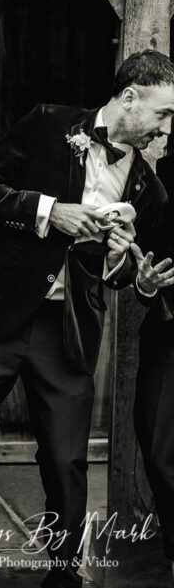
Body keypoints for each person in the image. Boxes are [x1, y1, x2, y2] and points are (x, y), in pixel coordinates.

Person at [0, 49, 174, 588]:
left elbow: (119, 273)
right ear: (129, 97)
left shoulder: (149, 187)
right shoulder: (50, 123)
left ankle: (65, 568)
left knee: (67, 457)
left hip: (70, 328)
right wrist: (51, 212)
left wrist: (131, 274)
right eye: (163, 113)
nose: (168, 126)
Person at [131, 140, 174, 573]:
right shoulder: (157, 177)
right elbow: (143, 256)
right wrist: (145, 284)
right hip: (168, 325)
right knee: (157, 440)